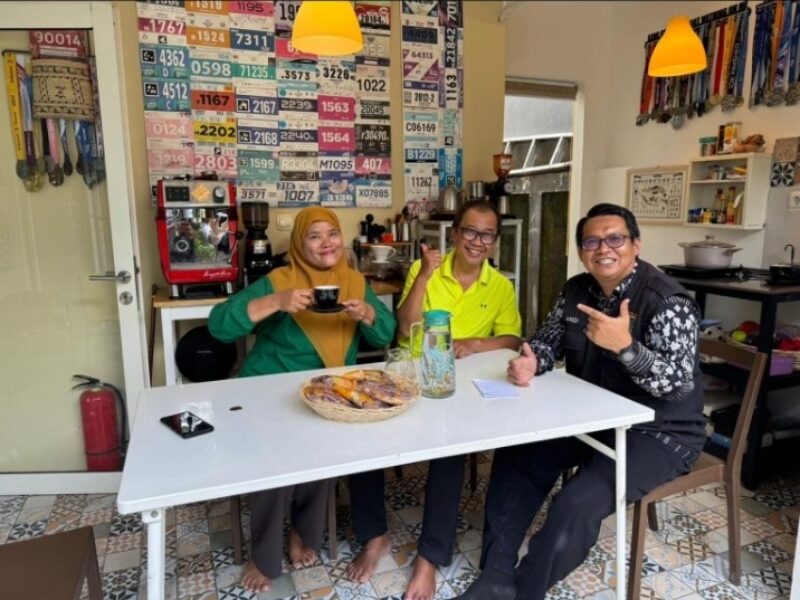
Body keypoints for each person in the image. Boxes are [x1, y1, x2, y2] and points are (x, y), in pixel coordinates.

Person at [456, 203, 706, 600]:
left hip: (658, 432)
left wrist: (627, 348)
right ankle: (496, 573)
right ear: (581, 250)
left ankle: (525, 591)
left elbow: (677, 386)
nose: (603, 248)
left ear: (636, 244)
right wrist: (531, 360)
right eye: (592, 241)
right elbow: (547, 340)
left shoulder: (667, 301)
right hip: (591, 418)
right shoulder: (576, 290)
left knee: (577, 502)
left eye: (615, 239)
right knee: (518, 453)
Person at [208, 206, 396, 594]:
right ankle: (264, 555)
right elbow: (219, 325)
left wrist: (368, 314)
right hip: (267, 392)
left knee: (322, 449)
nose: (326, 242)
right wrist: (275, 302)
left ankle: (302, 534)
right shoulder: (280, 281)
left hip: (324, 394)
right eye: (314, 235)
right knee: (273, 463)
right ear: (299, 243)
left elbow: (385, 335)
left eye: (332, 234)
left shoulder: (355, 282)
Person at [346, 199, 522, 600]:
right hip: (409, 377)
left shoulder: (500, 285)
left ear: (495, 240)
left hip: (460, 385)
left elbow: (512, 338)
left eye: (487, 234)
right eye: (470, 231)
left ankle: (429, 558)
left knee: (449, 451)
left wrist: (475, 344)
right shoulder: (424, 270)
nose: (477, 241)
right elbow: (403, 329)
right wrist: (425, 274)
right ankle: (374, 536)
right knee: (363, 437)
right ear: (456, 233)